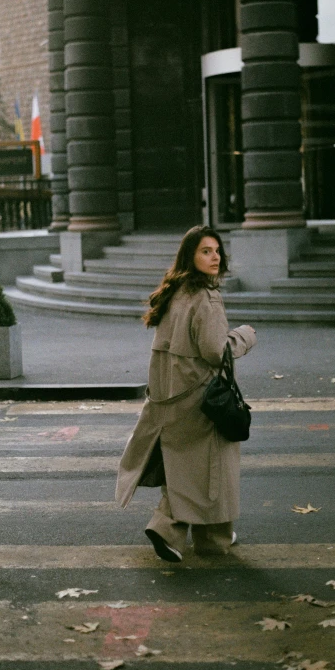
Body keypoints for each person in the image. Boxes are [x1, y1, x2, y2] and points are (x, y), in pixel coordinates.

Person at [115, 225, 257, 562]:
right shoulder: (207, 298)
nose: (214, 257)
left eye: (217, 251)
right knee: (213, 470)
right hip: (200, 401)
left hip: (169, 400)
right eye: (205, 251)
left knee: (187, 470)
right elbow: (214, 351)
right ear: (190, 257)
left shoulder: (175, 292)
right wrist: (245, 336)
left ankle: (205, 537)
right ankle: (181, 532)